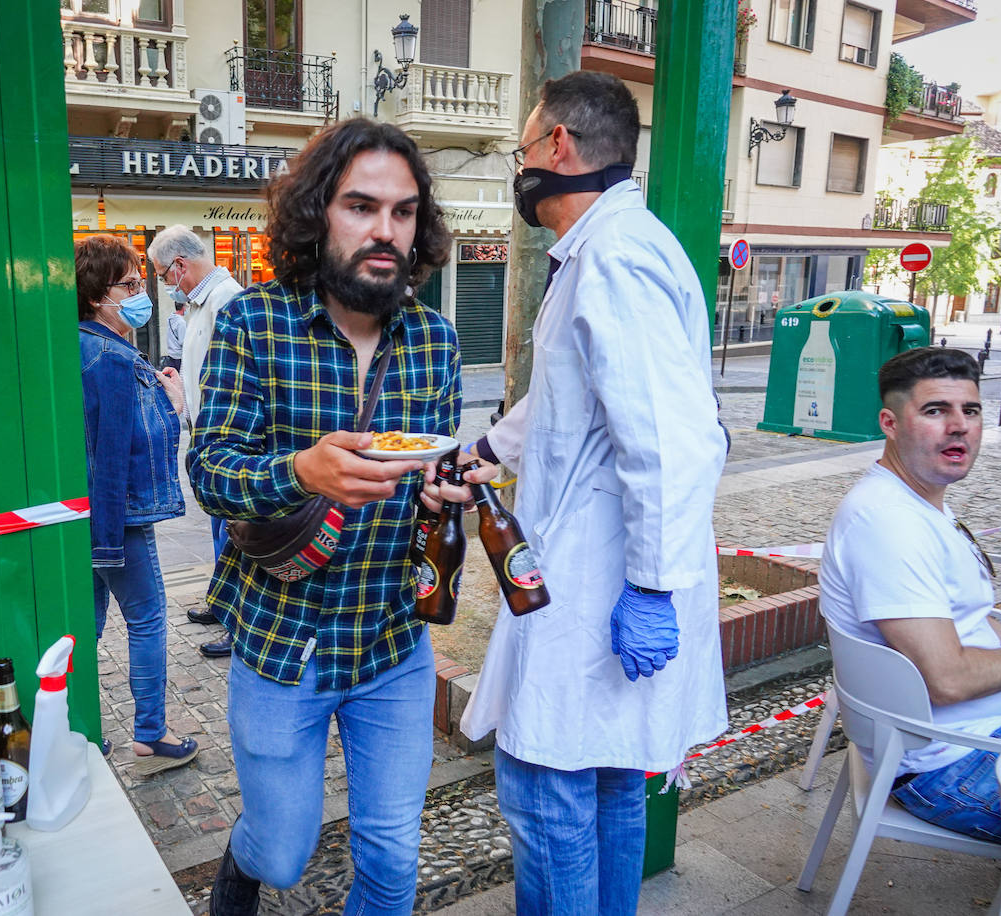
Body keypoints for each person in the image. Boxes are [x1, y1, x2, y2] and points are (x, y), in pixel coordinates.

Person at [456, 71, 729, 916]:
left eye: (524, 146)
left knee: (546, 789)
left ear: (558, 148)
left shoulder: (614, 255)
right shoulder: (610, 252)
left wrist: (650, 588)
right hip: (599, 574)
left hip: (600, 581)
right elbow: (571, 395)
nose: (522, 165)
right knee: (611, 782)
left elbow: (672, 439)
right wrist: (484, 452)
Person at [190, 118, 469, 916]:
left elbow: (432, 471)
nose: (386, 230)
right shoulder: (256, 322)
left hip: (391, 641)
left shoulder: (435, 341)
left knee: (392, 857)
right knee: (284, 852)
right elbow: (210, 473)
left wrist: (442, 491)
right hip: (284, 641)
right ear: (320, 213)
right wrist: (299, 470)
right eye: (362, 206)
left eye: (404, 212)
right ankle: (243, 862)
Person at [820, 347, 1001, 843]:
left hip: (984, 729)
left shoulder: (918, 504)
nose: (959, 426)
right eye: (936, 410)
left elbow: (972, 623)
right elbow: (947, 681)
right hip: (954, 762)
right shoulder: (890, 523)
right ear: (890, 423)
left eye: (972, 410)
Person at [75, 233, 197, 775]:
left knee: (88, 621)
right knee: (146, 619)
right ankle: (151, 731)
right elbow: (133, 441)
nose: (139, 292)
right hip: (117, 513)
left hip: (91, 511)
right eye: (128, 284)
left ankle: (78, 729)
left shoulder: (81, 343)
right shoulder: (110, 356)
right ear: (98, 294)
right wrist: (173, 404)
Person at [146, 224, 246, 658]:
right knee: (220, 532)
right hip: (207, 436)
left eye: (165, 275)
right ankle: (224, 603)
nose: (167, 284)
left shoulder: (227, 301)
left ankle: (239, 624)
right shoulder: (203, 302)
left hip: (227, 443)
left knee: (234, 536)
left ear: (180, 265)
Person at [163, 298, 185, 372]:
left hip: (171, 354)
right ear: (183, 307)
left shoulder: (170, 319)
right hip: (179, 356)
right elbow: (182, 341)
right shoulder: (181, 322)